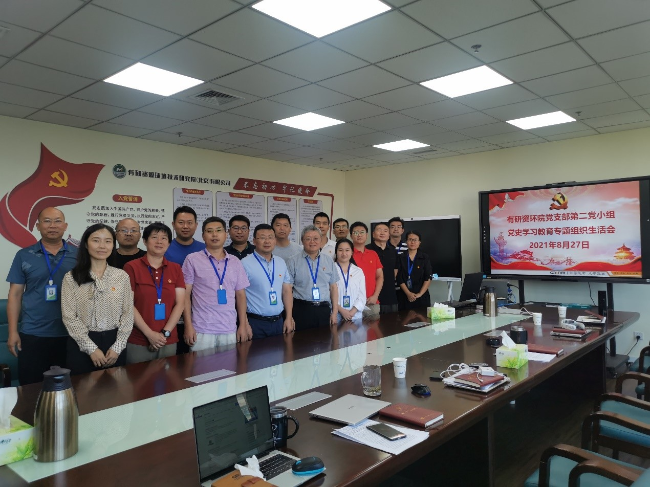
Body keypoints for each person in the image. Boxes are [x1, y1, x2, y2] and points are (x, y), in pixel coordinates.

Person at [6, 207, 78, 385]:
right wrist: (13, 332)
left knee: (70, 388)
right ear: (38, 226)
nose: (52, 225)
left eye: (57, 221)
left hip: (71, 332)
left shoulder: (78, 255)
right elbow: (15, 295)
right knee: (31, 388)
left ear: (65, 226)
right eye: (47, 221)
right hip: (33, 332)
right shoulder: (24, 255)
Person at [61, 224, 133, 375]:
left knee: (116, 388)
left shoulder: (121, 276)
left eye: (108, 241)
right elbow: (69, 316)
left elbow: (128, 313)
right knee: (83, 388)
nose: (102, 246)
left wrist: (118, 346)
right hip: (81, 343)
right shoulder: (72, 277)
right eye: (96, 240)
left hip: (114, 344)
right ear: (86, 244)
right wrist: (91, 349)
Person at [182, 217, 252, 352]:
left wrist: (243, 325)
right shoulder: (192, 259)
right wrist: (188, 326)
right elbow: (185, 295)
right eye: (209, 231)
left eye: (218, 231)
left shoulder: (235, 262)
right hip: (201, 330)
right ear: (203, 236)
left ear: (226, 234)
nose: (214, 235)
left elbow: (241, 295)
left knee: (229, 365)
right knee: (200, 366)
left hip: (229, 329)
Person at [123, 223, 186, 364]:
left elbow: (180, 303)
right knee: (138, 377)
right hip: (139, 339)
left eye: (164, 238)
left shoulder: (176, 269)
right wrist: (149, 334)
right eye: (154, 237)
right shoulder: (131, 267)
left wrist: (165, 333)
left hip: (168, 339)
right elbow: (127, 304)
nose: (159, 241)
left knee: (167, 377)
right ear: (145, 241)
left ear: (169, 243)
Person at [164, 206, 205, 355]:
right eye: (181, 222)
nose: (185, 226)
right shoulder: (164, 248)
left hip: (201, 313)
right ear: (173, 224)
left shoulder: (205, 249)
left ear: (196, 225)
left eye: (190, 222)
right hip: (172, 313)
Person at [241, 224, 293, 339]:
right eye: (262, 237)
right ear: (254, 241)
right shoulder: (244, 263)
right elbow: (240, 295)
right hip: (255, 322)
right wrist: (244, 323)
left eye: (270, 237)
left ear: (275, 240)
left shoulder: (280, 262)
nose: (267, 241)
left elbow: (287, 291)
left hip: (279, 321)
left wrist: (289, 317)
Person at [286, 225, 338, 330]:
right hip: (301, 309)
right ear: (302, 241)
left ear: (321, 240)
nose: (312, 242)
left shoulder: (328, 260)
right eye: (308, 239)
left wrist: (334, 312)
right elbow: (288, 290)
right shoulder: (292, 261)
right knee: (301, 340)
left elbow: (333, 287)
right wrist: (289, 316)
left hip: (323, 309)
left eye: (316, 238)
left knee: (325, 339)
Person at [349, 222, 383, 317]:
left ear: (367, 235)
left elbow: (380, 276)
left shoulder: (373, 254)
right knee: (352, 326)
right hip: (353, 303)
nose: (359, 235)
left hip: (371, 301)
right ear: (351, 236)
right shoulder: (347, 254)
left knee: (374, 326)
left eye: (362, 232)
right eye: (356, 232)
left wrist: (375, 296)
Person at [366, 222, 399, 314]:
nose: (382, 233)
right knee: (373, 322)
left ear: (389, 235)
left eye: (385, 231)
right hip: (372, 296)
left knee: (392, 321)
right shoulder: (367, 250)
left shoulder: (392, 250)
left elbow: (395, 270)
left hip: (391, 296)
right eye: (379, 230)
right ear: (373, 234)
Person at [396, 231, 433, 310]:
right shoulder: (400, 257)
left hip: (422, 296)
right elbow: (399, 278)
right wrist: (408, 293)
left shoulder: (424, 257)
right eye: (410, 239)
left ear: (419, 242)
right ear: (406, 241)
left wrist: (420, 294)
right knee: (404, 317)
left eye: (415, 240)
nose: (412, 242)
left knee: (423, 317)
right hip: (404, 295)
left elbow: (428, 277)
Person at [333, 239, 366, 322]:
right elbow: (328, 294)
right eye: (340, 250)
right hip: (336, 315)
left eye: (347, 250)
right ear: (336, 252)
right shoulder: (330, 269)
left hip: (355, 316)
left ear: (352, 252)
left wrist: (352, 312)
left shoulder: (358, 271)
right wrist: (342, 311)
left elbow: (362, 295)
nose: (344, 253)